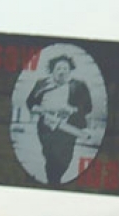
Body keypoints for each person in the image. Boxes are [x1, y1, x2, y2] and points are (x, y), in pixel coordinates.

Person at [26, 54, 92, 186]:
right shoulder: (42, 84)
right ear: (52, 70)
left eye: (65, 68)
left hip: (68, 127)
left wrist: (72, 109)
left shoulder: (78, 86)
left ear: (70, 70)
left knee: (65, 158)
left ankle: (54, 180)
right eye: (58, 68)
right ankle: (53, 182)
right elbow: (30, 102)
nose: (62, 71)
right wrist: (38, 109)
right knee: (49, 155)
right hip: (46, 126)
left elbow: (88, 107)